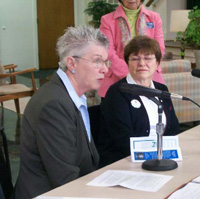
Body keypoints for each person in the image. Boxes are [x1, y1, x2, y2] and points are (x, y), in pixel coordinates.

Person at [14, 26, 109, 199]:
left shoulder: (71, 96)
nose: (105, 69)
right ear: (72, 63)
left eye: (105, 61)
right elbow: (65, 179)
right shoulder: (54, 105)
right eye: (97, 61)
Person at [98, 35, 180, 167]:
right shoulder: (117, 93)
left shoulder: (162, 90)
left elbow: (174, 130)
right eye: (135, 58)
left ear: (157, 63)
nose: (142, 63)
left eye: (148, 58)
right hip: (125, 162)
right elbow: (123, 141)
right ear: (127, 63)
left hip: (162, 160)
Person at [98, 0, 165, 98]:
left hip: (151, 80)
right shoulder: (107, 20)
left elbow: (159, 49)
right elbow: (107, 52)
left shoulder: (154, 18)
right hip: (117, 81)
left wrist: (144, 73)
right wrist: (132, 74)